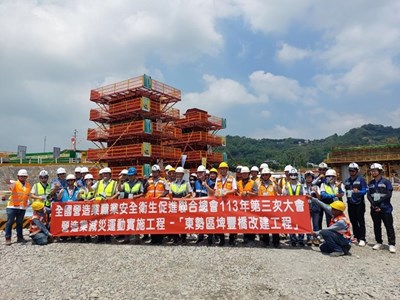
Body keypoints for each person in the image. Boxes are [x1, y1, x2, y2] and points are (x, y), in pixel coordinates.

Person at [366, 163, 396, 253]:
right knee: (376, 226)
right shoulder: (370, 183)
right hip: (374, 208)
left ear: (379, 171)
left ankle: (391, 244)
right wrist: (373, 204)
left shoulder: (386, 182)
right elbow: (368, 195)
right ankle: (379, 242)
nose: (373, 172)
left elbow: (389, 194)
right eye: (372, 171)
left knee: (389, 226)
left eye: (375, 170)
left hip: (385, 208)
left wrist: (378, 202)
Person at [213, 162, 237, 246]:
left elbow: (234, 190)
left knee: (231, 220)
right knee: (220, 220)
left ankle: (231, 239)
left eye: (224, 169)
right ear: (219, 170)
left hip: (229, 203)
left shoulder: (232, 178)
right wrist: (216, 193)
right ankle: (222, 239)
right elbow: (216, 189)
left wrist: (227, 192)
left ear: (227, 170)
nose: (222, 170)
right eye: (221, 169)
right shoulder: (218, 179)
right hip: (220, 203)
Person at [4, 169, 31, 246]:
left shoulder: (28, 185)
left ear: (26, 177)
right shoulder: (14, 183)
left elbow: (27, 195)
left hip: (22, 207)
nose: (22, 177)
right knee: (10, 222)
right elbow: (9, 183)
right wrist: (8, 181)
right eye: (21, 176)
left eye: (24, 176)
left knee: (19, 223)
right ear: (18, 176)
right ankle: (8, 238)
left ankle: (20, 237)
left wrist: (28, 202)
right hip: (12, 206)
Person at [344, 162, 367, 247]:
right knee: (353, 221)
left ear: (357, 171)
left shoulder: (361, 180)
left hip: (359, 203)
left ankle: (362, 238)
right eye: (350, 170)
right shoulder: (347, 181)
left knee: (361, 221)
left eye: (353, 171)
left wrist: (359, 192)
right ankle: (356, 236)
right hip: (350, 203)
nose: (352, 172)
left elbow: (365, 191)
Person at [144, 164, 169, 244]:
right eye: (153, 172)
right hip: (151, 205)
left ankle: (159, 239)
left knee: (159, 221)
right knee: (152, 222)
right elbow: (144, 191)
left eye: (155, 172)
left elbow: (167, 190)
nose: (154, 173)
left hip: (160, 205)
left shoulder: (163, 180)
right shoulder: (149, 181)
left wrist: (161, 196)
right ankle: (153, 239)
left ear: (158, 172)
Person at [119, 167, 144, 244]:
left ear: (135, 175)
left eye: (132, 175)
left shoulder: (139, 183)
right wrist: (119, 181)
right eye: (129, 175)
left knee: (136, 221)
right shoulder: (125, 184)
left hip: (136, 204)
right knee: (126, 221)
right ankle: (127, 238)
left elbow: (142, 193)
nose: (130, 177)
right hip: (126, 204)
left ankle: (137, 238)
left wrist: (136, 196)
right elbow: (120, 190)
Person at [282, 168, 306, 247]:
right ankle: (293, 239)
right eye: (291, 175)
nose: (293, 176)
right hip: (290, 207)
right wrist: (285, 190)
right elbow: (283, 196)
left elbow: (304, 196)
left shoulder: (301, 185)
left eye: (295, 175)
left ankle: (301, 239)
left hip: (299, 207)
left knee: (300, 223)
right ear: (289, 176)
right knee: (291, 223)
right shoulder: (286, 185)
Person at [257, 168, 280, 247]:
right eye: (263, 175)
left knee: (274, 224)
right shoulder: (259, 184)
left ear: (269, 175)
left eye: (266, 174)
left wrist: (277, 185)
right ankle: (265, 241)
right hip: (263, 207)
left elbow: (279, 192)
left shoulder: (273, 183)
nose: (265, 176)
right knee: (265, 224)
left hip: (273, 207)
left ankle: (276, 242)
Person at [169, 167, 192, 244]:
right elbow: (170, 194)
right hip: (174, 205)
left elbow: (190, 193)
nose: (178, 175)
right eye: (177, 174)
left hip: (183, 204)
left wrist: (184, 198)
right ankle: (175, 238)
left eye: (180, 174)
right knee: (175, 221)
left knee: (182, 221)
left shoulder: (186, 183)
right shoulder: (172, 184)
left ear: (182, 174)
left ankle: (183, 238)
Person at [237, 166, 258, 244]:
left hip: (251, 205)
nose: (244, 175)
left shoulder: (253, 183)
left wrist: (248, 193)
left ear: (248, 174)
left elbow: (256, 194)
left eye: (246, 173)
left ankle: (251, 238)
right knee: (244, 221)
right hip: (242, 205)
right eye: (243, 173)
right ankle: (245, 237)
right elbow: (237, 193)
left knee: (251, 220)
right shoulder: (239, 183)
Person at [194, 165, 213, 245]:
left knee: (209, 221)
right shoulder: (196, 183)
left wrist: (206, 186)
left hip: (208, 206)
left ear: (205, 173)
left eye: (201, 173)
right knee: (200, 220)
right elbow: (195, 192)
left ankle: (210, 238)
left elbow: (212, 193)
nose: (199, 174)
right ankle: (200, 237)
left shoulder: (210, 182)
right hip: (199, 205)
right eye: (198, 173)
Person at [303, 170, 321, 246]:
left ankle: (316, 238)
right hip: (306, 206)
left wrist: (315, 192)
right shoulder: (302, 186)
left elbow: (319, 197)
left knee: (316, 224)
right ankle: (308, 238)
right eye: (307, 177)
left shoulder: (316, 186)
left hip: (315, 207)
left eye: (310, 177)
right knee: (307, 223)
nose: (309, 179)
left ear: (312, 178)